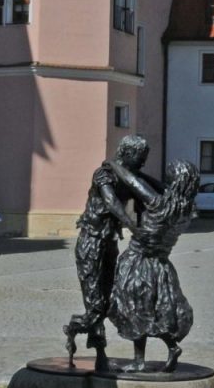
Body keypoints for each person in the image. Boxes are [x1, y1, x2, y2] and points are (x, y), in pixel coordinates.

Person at [63, 135, 157, 366]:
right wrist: (133, 226)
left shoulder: (128, 177)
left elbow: (152, 191)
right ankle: (74, 329)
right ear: (127, 153)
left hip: (109, 244)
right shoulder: (103, 174)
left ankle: (100, 358)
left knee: (107, 301)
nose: (143, 163)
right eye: (140, 158)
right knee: (95, 306)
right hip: (91, 243)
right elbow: (112, 203)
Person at [105, 158, 201, 372]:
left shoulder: (160, 203)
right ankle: (171, 347)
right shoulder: (187, 208)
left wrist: (115, 165)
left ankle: (139, 360)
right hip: (161, 265)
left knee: (134, 309)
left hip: (138, 262)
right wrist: (142, 174)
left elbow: (132, 184)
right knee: (158, 310)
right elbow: (157, 187)